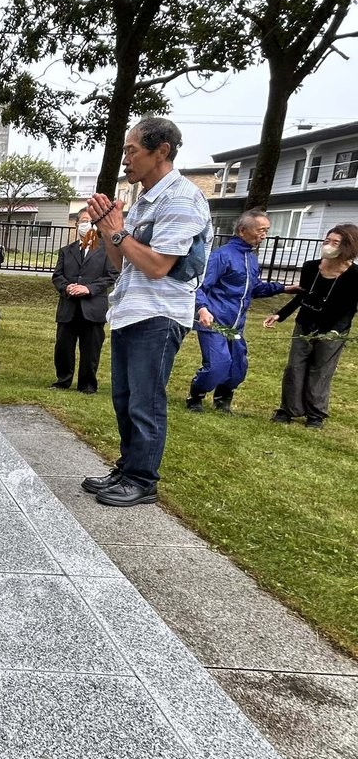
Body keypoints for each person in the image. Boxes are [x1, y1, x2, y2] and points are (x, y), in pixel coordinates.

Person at [81, 117, 211, 508]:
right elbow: (122, 262)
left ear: (161, 151)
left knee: (145, 401)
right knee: (124, 398)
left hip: (159, 314)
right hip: (130, 310)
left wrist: (118, 231)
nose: (125, 159)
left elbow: (157, 266)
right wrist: (108, 228)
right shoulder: (145, 200)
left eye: (132, 150)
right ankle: (127, 469)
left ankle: (142, 479)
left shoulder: (181, 199)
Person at [186, 209, 298, 413]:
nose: (264, 235)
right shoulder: (221, 256)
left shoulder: (251, 258)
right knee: (218, 364)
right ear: (242, 230)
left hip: (236, 325)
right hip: (215, 322)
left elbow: (254, 288)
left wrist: (284, 288)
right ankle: (196, 396)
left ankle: (223, 399)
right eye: (260, 230)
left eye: (267, 230)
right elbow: (200, 286)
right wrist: (202, 309)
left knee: (238, 367)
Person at [264, 224, 358, 428]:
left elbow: (350, 309)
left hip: (333, 330)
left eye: (335, 242)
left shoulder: (354, 275)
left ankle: (315, 414)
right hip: (305, 324)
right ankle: (288, 409)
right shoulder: (310, 267)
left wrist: (334, 331)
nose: (329, 245)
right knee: (294, 367)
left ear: (348, 247)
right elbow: (302, 296)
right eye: (327, 240)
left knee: (321, 370)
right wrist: (280, 315)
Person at [51, 208, 119, 393]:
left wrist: (88, 289)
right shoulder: (66, 251)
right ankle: (63, 380)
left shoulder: (107, 250)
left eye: (91, 221)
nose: (87, 224)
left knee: (91, 349)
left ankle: (87, 384)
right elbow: (57, 276)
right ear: (76, 225)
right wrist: (67, 287)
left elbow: (111, 275)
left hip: (93, 308)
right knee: (63, 347)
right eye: (83, 221)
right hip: (68, 307)